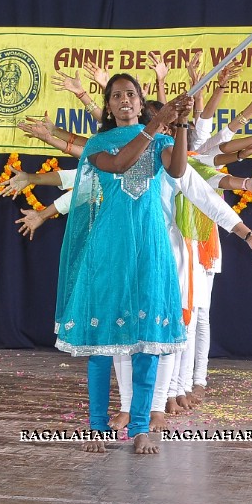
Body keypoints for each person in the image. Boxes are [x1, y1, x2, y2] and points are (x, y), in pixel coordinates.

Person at [53, 74, 192, 455]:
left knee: (147, 341)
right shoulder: (98, 145)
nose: (124, 100)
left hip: (149, 246)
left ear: (139, 98)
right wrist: (157, 121)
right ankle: (98, 426)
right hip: (109, 247)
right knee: (100, 343)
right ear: (109, 105)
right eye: (116, 96)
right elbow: (119, 164)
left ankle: (142, 426)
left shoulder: (160, 138)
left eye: (131, 94)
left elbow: (177, 170)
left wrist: (179, 125)